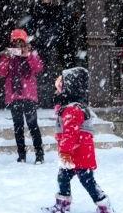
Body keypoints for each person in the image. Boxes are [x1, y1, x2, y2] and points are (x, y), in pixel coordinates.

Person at [43, 67, 114, 213]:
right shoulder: (71, 107)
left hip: (78, 153)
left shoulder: (73, 109)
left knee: (87, 181)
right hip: (73, 153)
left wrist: (65, 152)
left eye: (60, 88)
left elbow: (70, 134)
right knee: (63, 177)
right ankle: (62, 204)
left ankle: (104, 205)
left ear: (69, 89)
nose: (57, 91)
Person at [0, 29, 44, 164]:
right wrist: (6, 57)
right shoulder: (8, 56)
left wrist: (28, 55)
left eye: (21, 42)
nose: (18, 45)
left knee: (33, 125)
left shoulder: (31, 54)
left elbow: (38, 68)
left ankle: (39, 154)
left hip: (29, 96)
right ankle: (21, 155)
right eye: (15, 42)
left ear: (25, 42)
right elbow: (1, 72)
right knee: (18, 127)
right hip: (14, 96)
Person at [28, 0, 63, 107]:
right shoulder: (38, 10)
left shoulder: (54, 10)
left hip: (50, 45)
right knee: (41, 72)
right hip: (42, 45)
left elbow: (58, 25)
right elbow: (34, 24)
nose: (46, 0)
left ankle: (49, 99)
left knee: (49, 73)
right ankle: (42, 99)